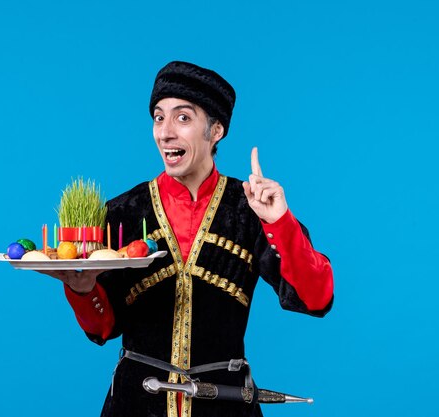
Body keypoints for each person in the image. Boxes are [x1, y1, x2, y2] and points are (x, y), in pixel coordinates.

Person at [40, 61, 334, 417]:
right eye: (158, 118)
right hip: (136, 404)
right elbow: (104, 328)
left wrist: (281, 223)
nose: (165, 133)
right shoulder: (121, 213)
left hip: (224, 405)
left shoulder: (253, 210)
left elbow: (316, 298)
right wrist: (82, 289)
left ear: (216, 131)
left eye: (182, 118)